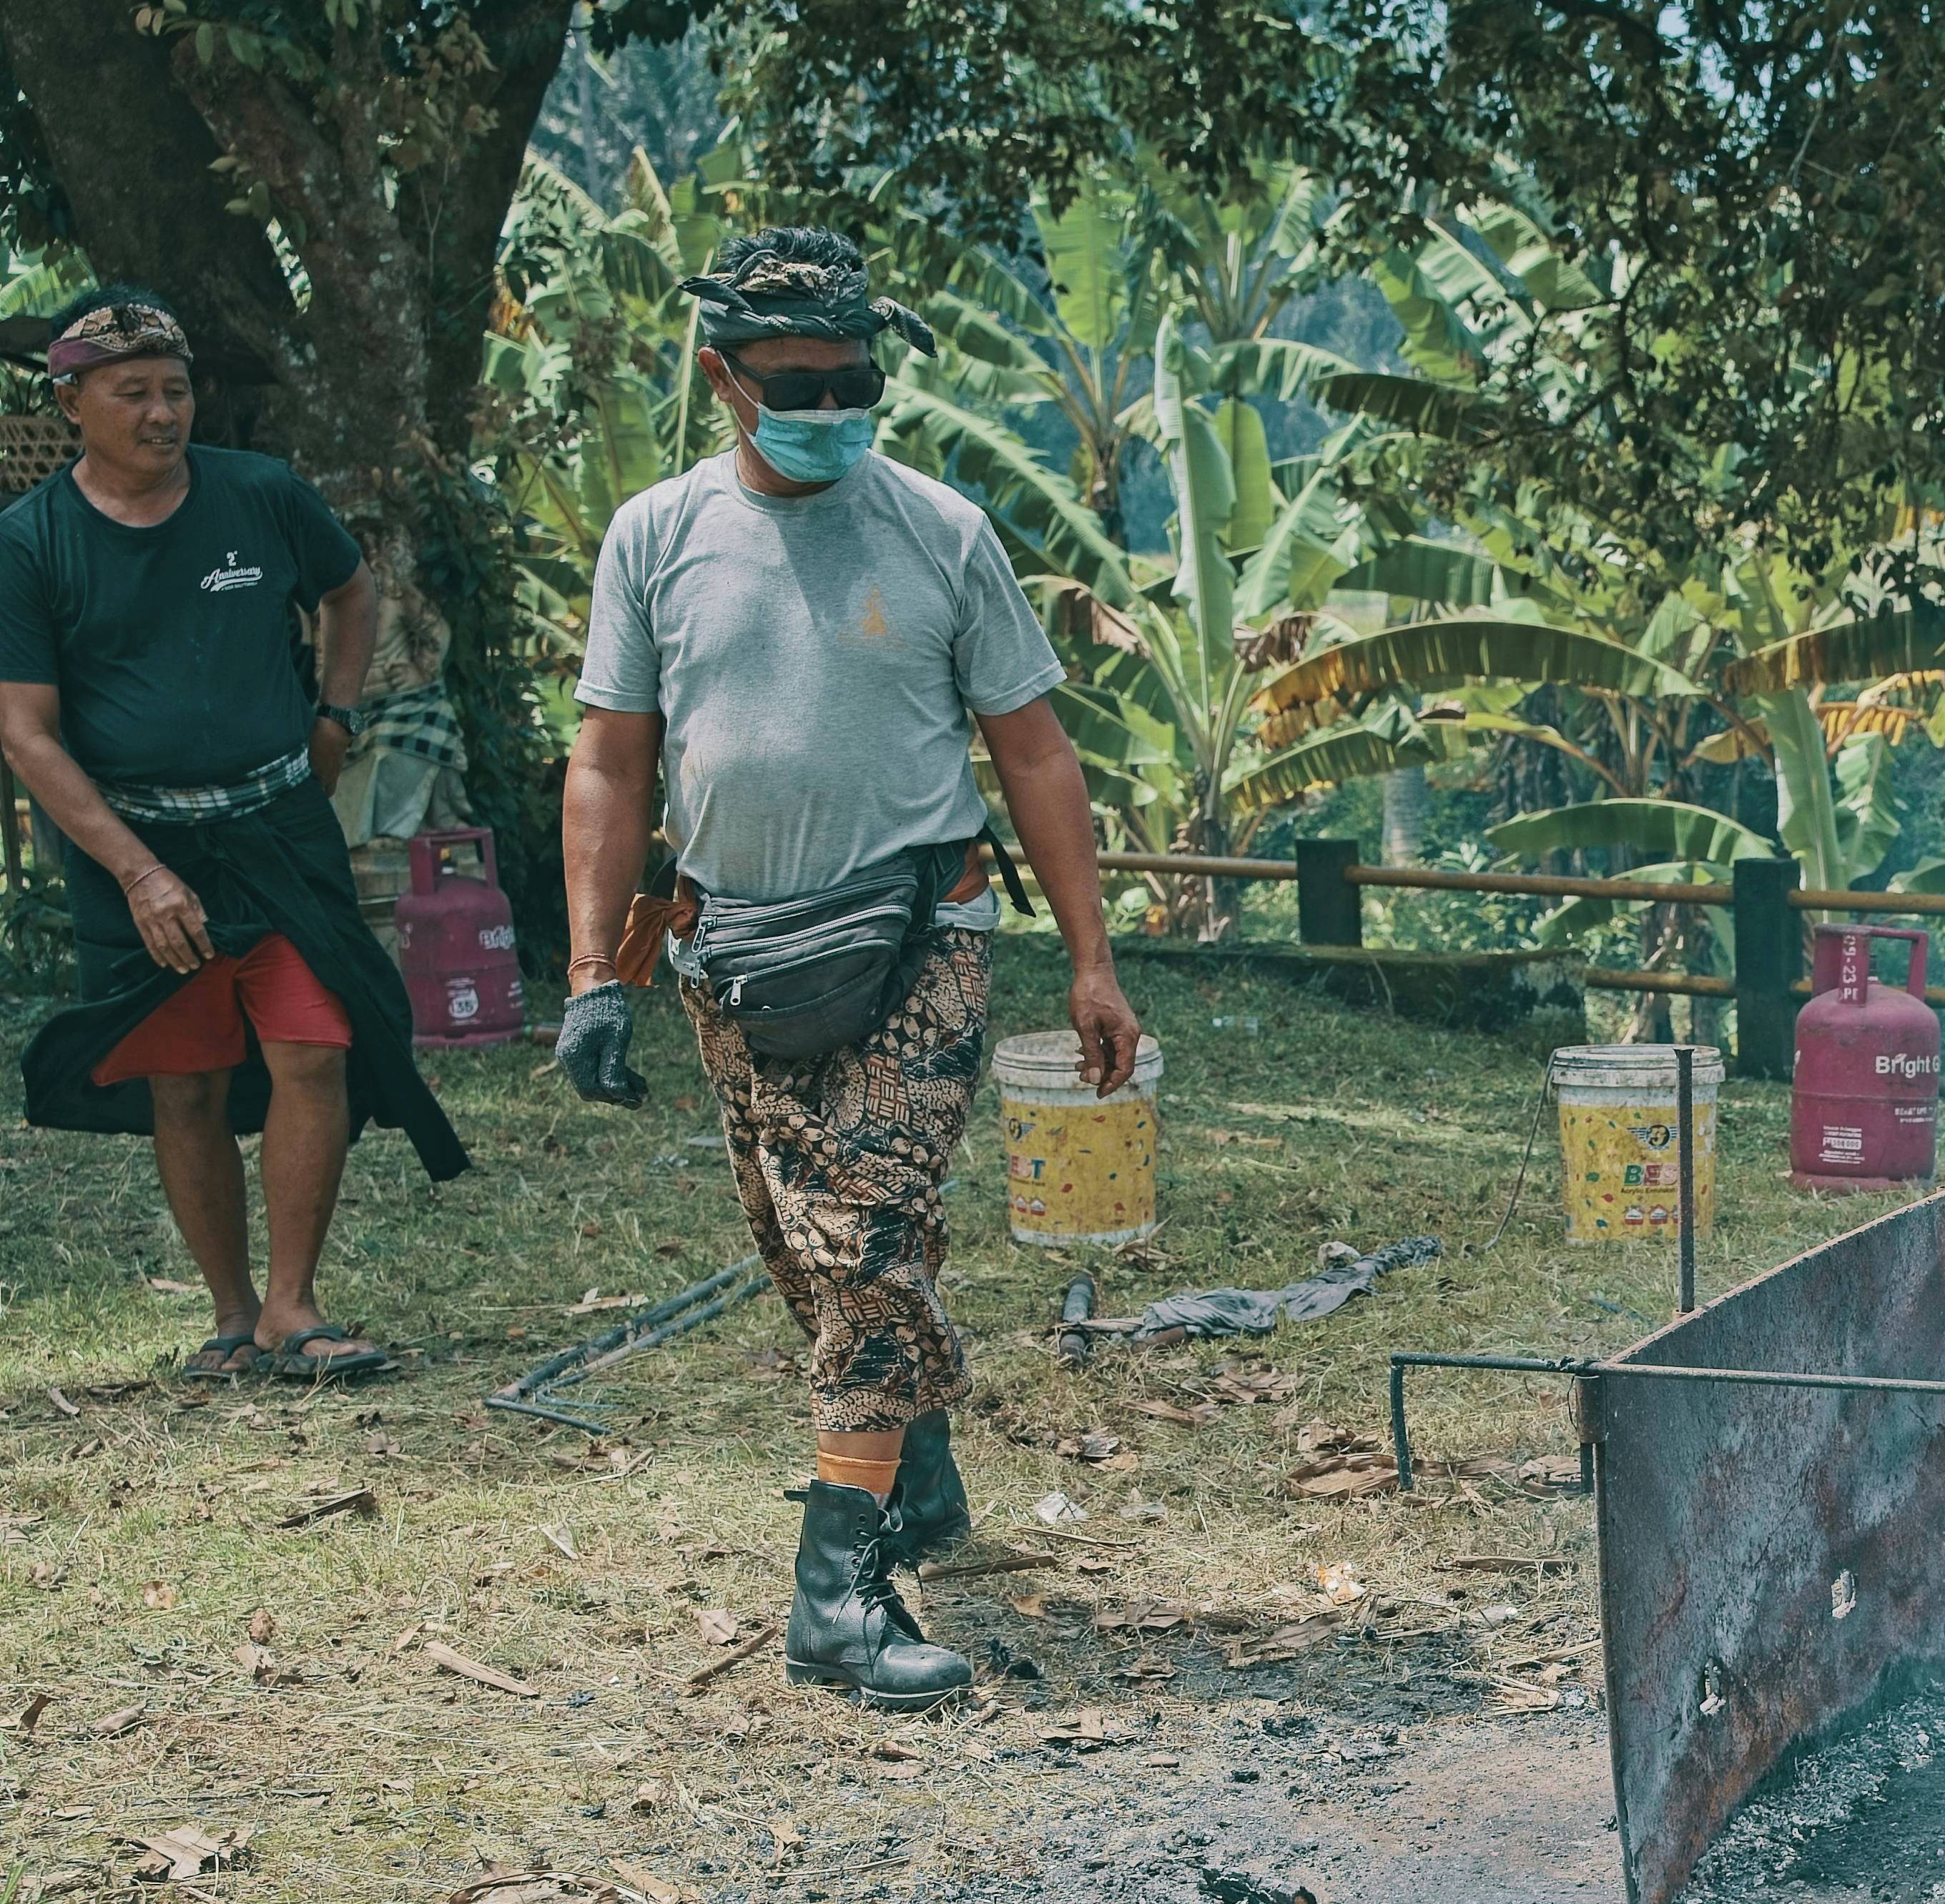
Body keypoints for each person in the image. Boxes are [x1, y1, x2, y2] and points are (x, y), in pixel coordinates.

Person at [554, 227, 1140, 1713]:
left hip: (915, 937)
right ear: (721, 379)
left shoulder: (939, 530)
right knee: (800, 1244)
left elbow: (1033, 751)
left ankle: (835, 1594)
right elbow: (611, 761)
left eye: (856, 378)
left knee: (866, 1238)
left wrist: (1092, 961)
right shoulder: (657, 536)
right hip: (731, 950)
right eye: (796, 382)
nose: (831, 403)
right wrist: (590, 971)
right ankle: (916, 1469)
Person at [5, 287, 466, 1377]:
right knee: (187, 1078)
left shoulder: (259, 496)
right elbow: (25, 736)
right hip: (135, 848)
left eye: (175, 390)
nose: (162, 414)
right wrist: (140, 873)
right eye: (133, 394)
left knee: (316, 1044)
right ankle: (230, 1314)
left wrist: (334, 718)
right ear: (71, 401)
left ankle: (293, 1309)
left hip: (277, 828)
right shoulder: (29, 544)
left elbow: (351, 593)